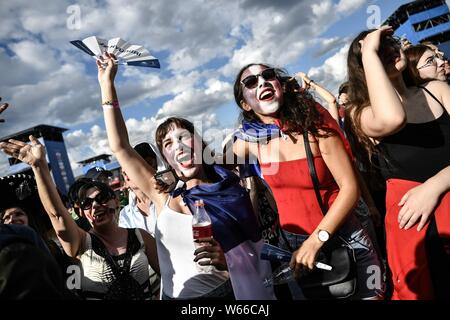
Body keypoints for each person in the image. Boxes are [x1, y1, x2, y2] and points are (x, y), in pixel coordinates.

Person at [95, 52, 274, 300]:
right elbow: (120, 147)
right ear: (166, 158)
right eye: (167, 143)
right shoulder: (163, 195)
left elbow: (256, 252)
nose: (177, 146)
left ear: (199, 142)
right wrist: (107, 84)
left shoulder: (231, 192)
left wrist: (227, 261)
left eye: (183, 137)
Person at [232, 63, 384, 299]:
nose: (261, 82)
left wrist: (316, 240)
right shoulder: (252, 140)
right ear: (245, 103)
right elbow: (213, 162)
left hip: (343, 237)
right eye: (251, 83)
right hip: (296, 249)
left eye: (268, 76)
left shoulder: (315, 126)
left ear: (279, 84)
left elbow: (350, 188)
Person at [345, 26, 450, 299]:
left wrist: (435, 185)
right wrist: (367, 50)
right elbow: (393, 119)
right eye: (379, 51)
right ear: (365, 67)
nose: (390, 49)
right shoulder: (360, 114)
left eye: (391, 42)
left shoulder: (437, 90)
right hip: (422, 237)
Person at [0, 138, 160, 300]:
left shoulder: (140, 236)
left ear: (116, 200)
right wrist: (39, 166)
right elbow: (57, 214)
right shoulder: (81, 243)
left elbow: (170, 277)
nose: (96, 205)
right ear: (81, 212)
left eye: (102, 197)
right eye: (87, 203)